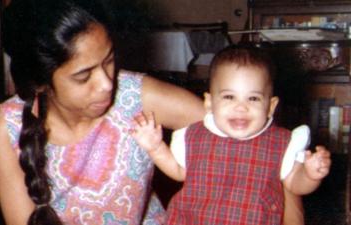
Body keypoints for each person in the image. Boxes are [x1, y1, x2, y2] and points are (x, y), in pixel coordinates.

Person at [0, 0, 206, 225]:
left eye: (109, 60)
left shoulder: (134, 97)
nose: (106, 84)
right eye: (83, 76)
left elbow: (223, 124)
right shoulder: (8, 128)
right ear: (40, 82)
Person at [131, 45, 331, 224]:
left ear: (270, 107)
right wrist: (156, 148)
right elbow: (178, 171)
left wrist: (311, 175)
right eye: (229, 97)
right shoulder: (193, 136)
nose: (241, 108)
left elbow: (295, 184)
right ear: (209, 102)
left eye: (253, 98)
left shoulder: (282, 142)